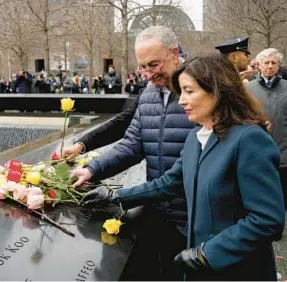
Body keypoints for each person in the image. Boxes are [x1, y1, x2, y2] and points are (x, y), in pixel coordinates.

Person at [81, 54, 285, 281]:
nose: (181, 101)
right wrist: (116, 196)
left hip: (239, 271)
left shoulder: (249, 140)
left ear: (217, 91)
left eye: (189, 91)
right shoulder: (196, 137)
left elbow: (267, 220)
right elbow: (170, 182)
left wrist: (207, 254)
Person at [70, 26, 195, 280]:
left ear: (174, 53)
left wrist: (120, 196)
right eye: (142, 67)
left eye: (154, 65)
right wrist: (93, 169)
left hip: (194, 216)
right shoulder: (148, 94)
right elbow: (131, 145)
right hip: (158, 210)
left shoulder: (199, 91)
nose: (148, 75)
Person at [246, 48, 287, 209]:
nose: (270, 66)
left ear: (279, 66)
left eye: (273, 63)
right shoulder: (248, 89)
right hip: (257, 153)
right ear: (259, 65)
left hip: (284, 155)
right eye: (266, 62)